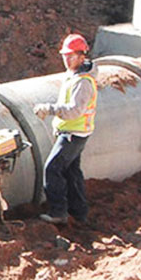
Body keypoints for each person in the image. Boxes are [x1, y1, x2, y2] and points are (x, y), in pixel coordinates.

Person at [34, 34, 98, 226]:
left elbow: (75, 110)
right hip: (73, 133)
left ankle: (58, 212)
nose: (67, 59)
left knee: (52, 169)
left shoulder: (83, 82)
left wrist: (50, 109)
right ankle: (79, 213)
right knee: (71, 172)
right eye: (65, 55)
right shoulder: (74, 76)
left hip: (73, 135)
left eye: (72, 56)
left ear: (82, 56)